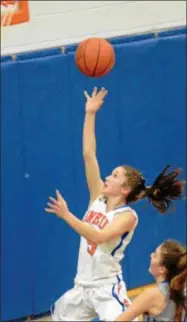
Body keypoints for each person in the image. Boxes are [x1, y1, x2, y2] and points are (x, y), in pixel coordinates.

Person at [45, 87, 184, 321]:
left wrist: (68, 216)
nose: (107, 177)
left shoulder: (127, 216)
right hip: (82, 286)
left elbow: (100, 237)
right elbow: (89, 154)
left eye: (115, 175)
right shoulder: (98, 197)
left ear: (125, 189)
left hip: (106, 289)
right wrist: (90, 114)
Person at [115, 239, 187, 322]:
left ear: (162, 269)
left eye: (155, 255)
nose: (151, 255)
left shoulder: (151, 296)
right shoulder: (182, 291)